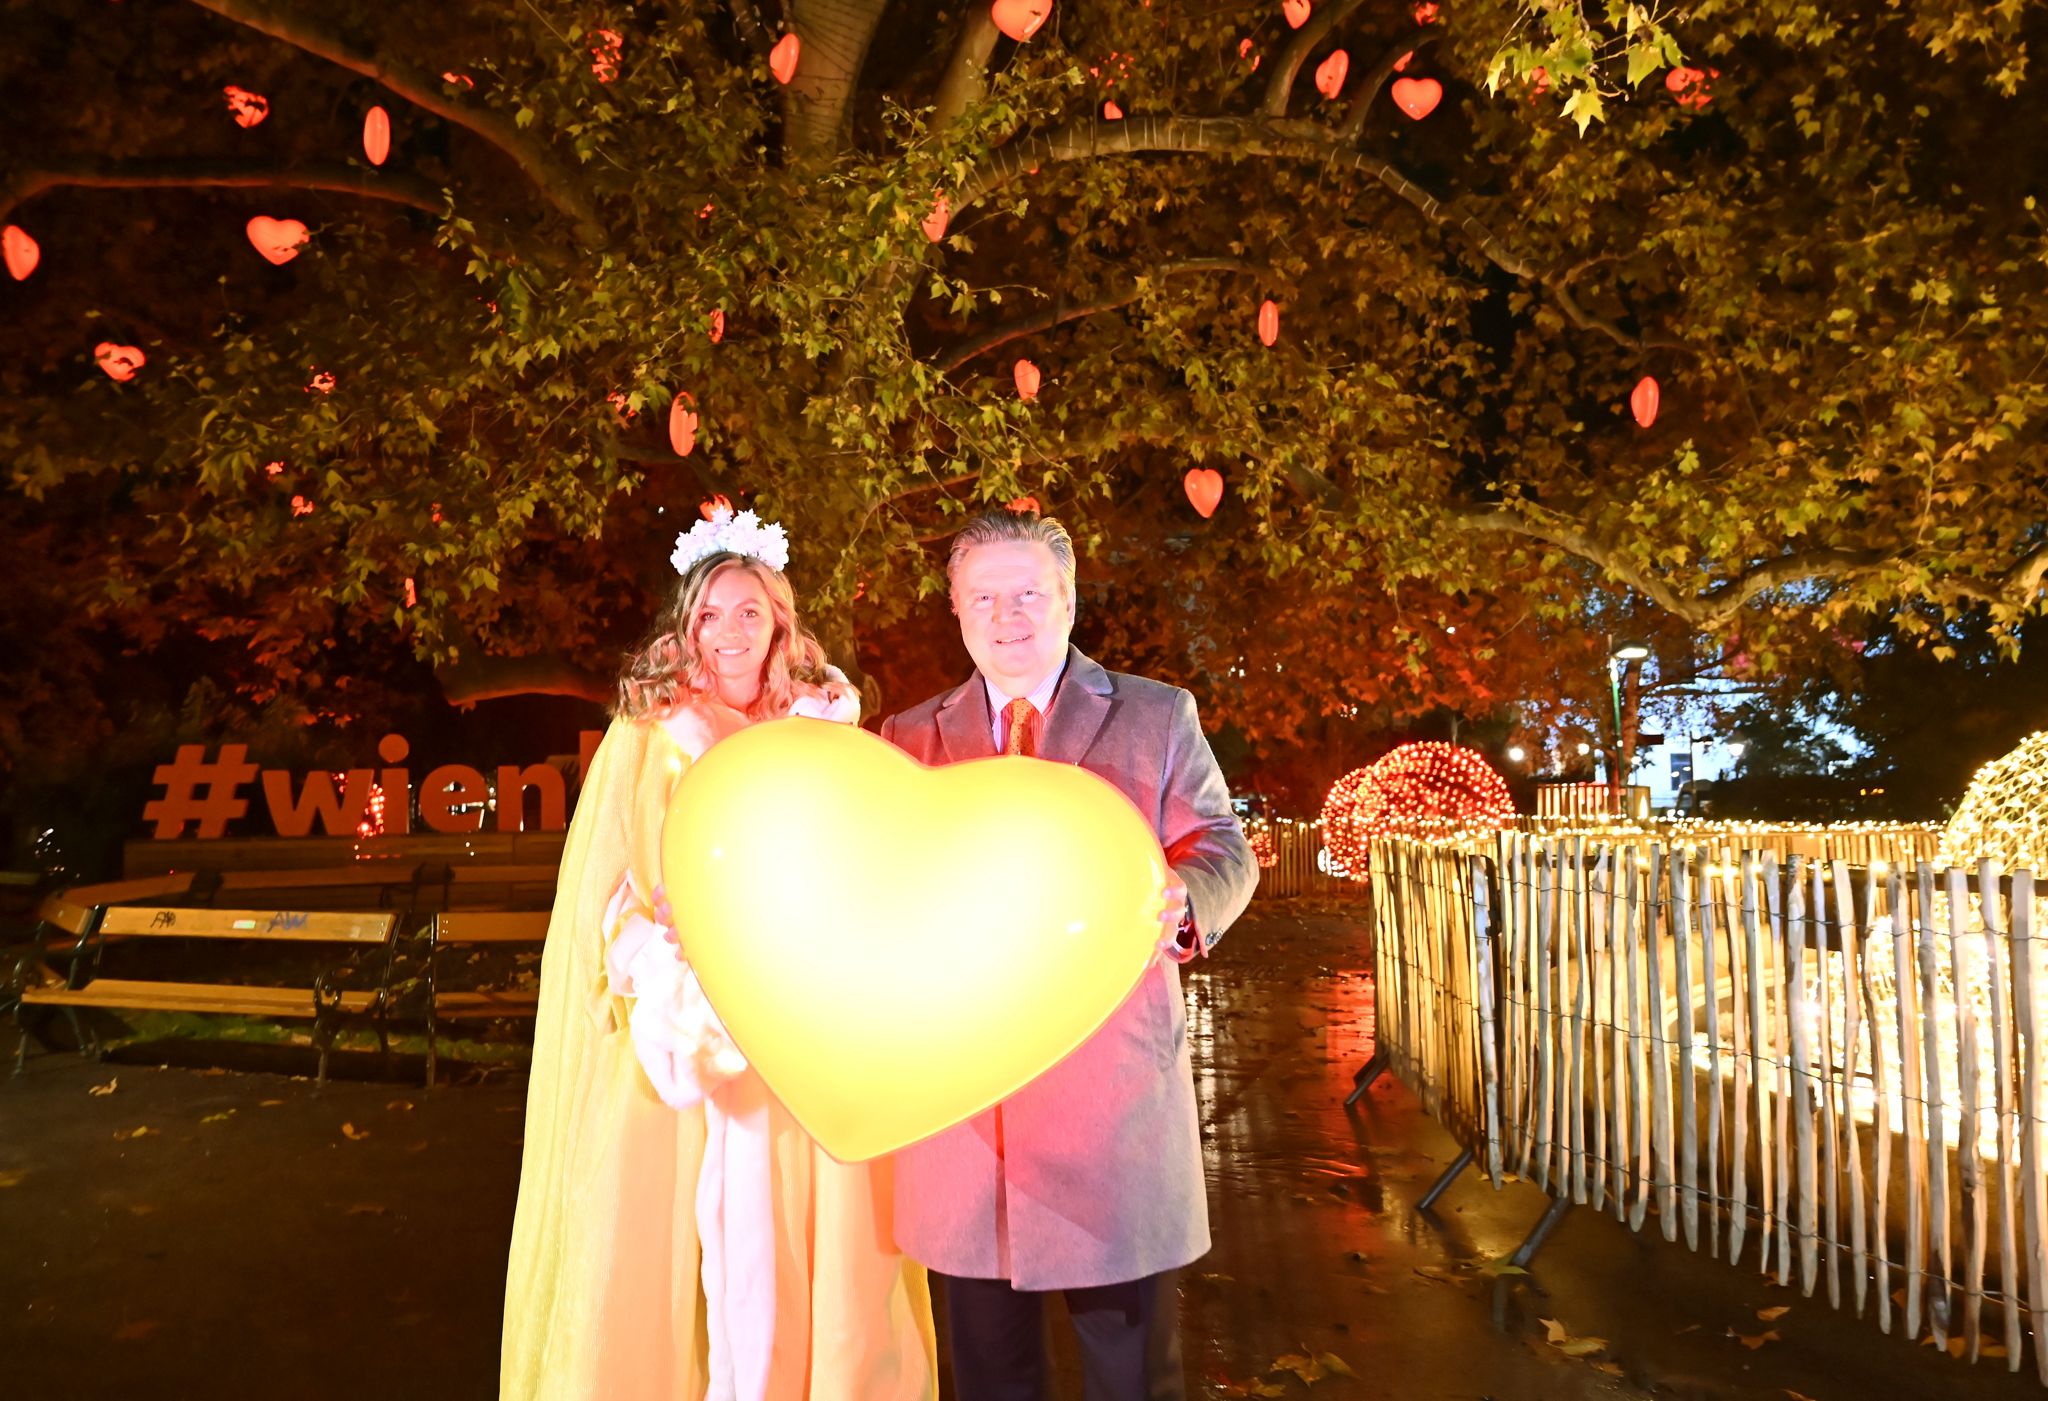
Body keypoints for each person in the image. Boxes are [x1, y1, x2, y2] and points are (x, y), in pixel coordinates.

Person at [502, 507, 937, 1401]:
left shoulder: (826, 725)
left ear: (780, 620)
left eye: (750, 612)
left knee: (841, 1239)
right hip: (706, 1030)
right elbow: (615, 887)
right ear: (686, 626)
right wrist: (670, 969)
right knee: (715, 1241)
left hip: (817, 1024)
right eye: (711, 615)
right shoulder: (656, 734)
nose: (730, 632)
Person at [878, 508, 1258, 1401]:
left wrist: (1184, 900)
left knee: (1132, 1379)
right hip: (965, 1121)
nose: (1007, 615)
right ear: (957, 613)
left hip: (1109, 1112)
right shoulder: (906, 736)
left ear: (1068, 597)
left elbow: (1222, 847)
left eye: (1027, 593)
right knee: (988, 1381)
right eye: (983, 597)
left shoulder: (1157, 715)